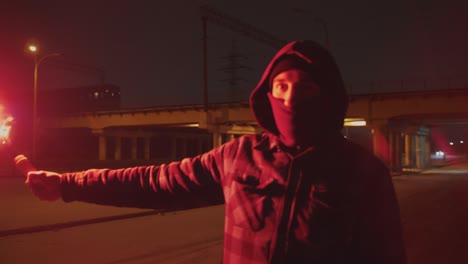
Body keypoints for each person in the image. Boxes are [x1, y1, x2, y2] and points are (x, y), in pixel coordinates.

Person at [25, 40, 406, 263]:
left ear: (327, 96)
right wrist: (68, 184)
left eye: (305, 88)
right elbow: (156, 182)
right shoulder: (238, 156)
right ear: (267, 93)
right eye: (281, 86)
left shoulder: (363, 172)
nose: (291, 98)